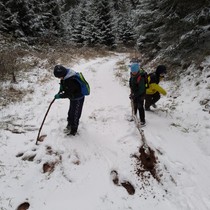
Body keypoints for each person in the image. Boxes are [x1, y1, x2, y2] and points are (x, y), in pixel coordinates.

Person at [53, 65, 85, 136]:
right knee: (70, 112)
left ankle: (73, 130)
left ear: (62, 74)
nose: (59, 78)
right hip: (73, 97)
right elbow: (64, 83)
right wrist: (62, 87)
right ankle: (69, 124)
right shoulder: (66, 75)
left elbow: (68, 94)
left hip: (78, 98)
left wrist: (60, 96)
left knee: (75, 114)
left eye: (59, 77)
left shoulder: (70, 80)